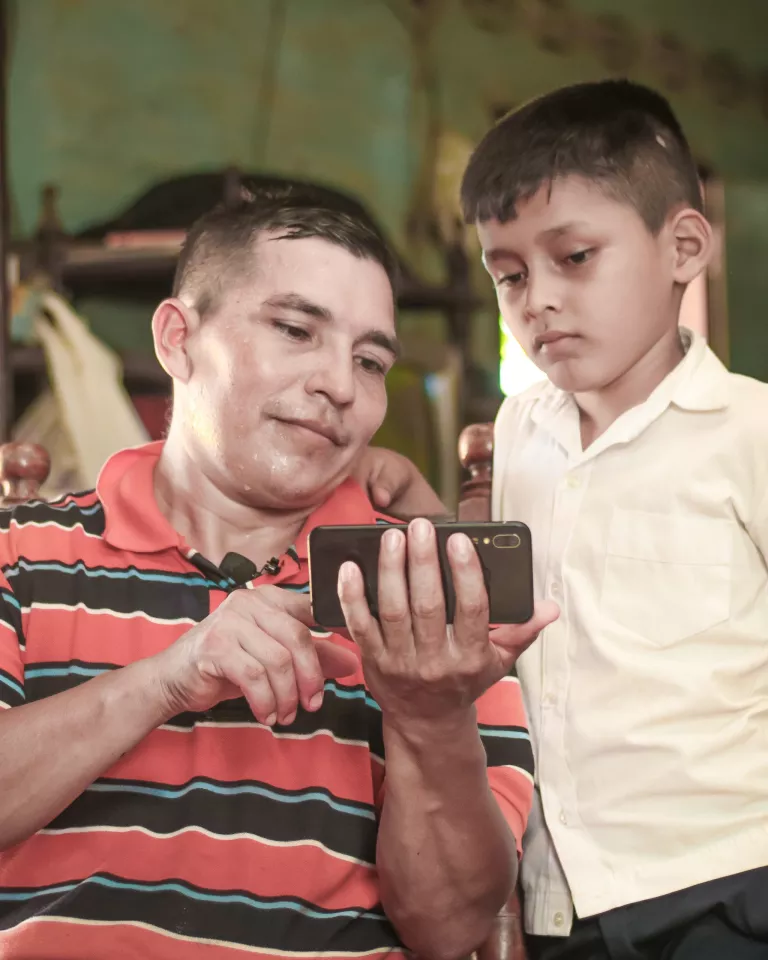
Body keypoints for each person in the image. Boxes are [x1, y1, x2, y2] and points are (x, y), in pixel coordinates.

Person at [0, 190, 558, 960]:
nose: (340, 385)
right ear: (178, 340)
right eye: (296, 330)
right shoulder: (18, 552)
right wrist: (169, 677)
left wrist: (430, 717)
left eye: (370, 361)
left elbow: (451, 929)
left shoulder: (433, 596)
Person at [363, 80, 768, 959]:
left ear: (684, 247)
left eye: (574, 257)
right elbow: (516, 589)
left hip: (724, 880)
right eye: (508, 274)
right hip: (553, 890)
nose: (535, 299)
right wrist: (420, 512)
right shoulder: (522, 428)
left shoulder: (750, 432)